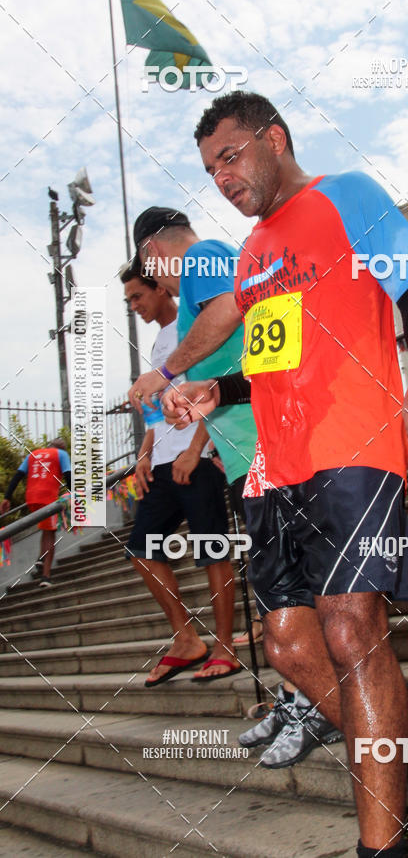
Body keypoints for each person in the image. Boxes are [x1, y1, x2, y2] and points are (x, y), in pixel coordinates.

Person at [163, 91, 408, 856]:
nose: (221, 177)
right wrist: (221, 390)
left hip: (353, 449)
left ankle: (386, 848)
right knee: (289, 646)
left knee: (353, 630)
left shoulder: (344, 196)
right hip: (275, 470)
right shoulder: (251, 256)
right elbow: (274, 362)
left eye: (230, 156)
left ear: (273, 138)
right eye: (209, 168)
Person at [127, 207, 342, 734]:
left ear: (154, 250)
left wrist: (165, 370)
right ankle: (300, 696)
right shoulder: (213, 274)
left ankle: (322, 703)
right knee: (282, 584)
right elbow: (237, 362)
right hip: (251, 451)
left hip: (270, 446)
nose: (156, 281)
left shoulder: (203, 256)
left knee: (288, 584)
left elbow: (227, 305)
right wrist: (195, 407)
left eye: (148, 272)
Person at [120, 262, 242, 685]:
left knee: (212, 550)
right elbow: (155, 416)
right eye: (129, 300)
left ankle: (225, 646)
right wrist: (143, 456)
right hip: (163, 463)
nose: (134, 305)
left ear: (159, 289)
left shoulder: (195, 329)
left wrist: (197, 449)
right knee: (141, 549)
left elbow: (215, 388)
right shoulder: (158, 347)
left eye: (138, 295)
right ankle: (187, 638)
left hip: (200, 458)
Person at [1, 438, 71, 587]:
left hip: (32, 498)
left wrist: (7, 498)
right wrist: (74, 495)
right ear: (62, 447)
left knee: (45, 529)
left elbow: (18, 476)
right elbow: (68, 475)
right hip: (48, 498)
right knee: (50, 533)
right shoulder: (61, 454)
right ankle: (46, 576)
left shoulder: (33, 454)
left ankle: (41, 558)